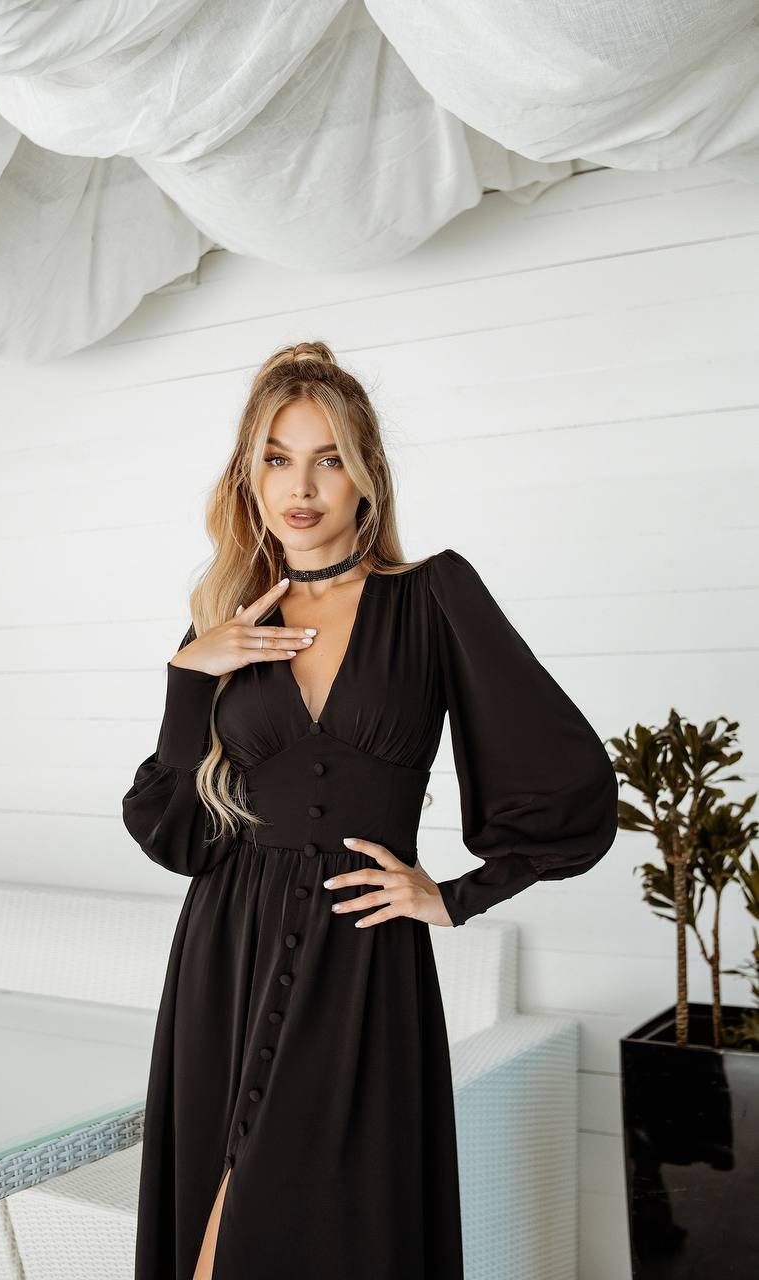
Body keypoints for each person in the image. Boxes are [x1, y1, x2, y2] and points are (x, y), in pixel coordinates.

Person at [121, 339, 619, 1280]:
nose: (300, 485)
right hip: (224, 952)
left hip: (360, 958)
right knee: (209, 1240)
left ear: (366, 478)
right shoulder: (219, 626)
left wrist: (457, 895)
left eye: (328, 457)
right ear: (248, 478)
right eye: (276, 457)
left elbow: (566, 779)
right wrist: (191, 676)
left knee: (313, 1235)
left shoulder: (430, 597)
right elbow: (177, 837)